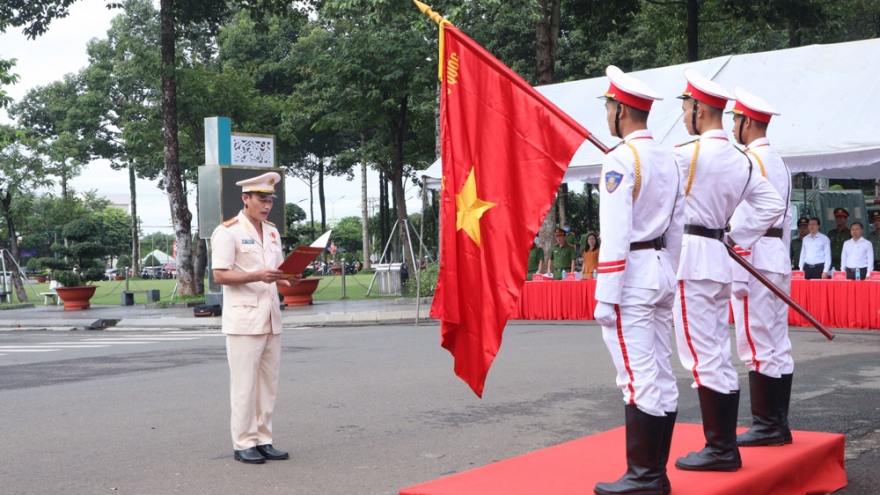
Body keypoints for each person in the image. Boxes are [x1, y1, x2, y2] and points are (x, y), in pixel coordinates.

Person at [670, 69, 785, 473]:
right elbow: (773, 208)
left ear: (700, 110)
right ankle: (723, 446)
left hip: (693, 257)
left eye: (686, 108)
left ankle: (719, 449)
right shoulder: (742, 160)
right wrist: (735, 235)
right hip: (719, 255)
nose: (685, 116)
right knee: (717, 350)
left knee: (701, 354)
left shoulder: (686, 155)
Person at [591, 66, 685, 495]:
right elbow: (678, 226)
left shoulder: (618, 160)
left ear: (622, 112)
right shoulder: (669, 158)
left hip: (631, 275)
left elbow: (615, 234)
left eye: (610, 106)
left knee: (636, 376)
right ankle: (655, 473)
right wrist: (673, 270)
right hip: (662, 268)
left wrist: (605, 296)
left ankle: (644, 476)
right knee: (660, 374)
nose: (607, 113)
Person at [211, 171, 301, 465]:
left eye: (270, 200)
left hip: (271, 317)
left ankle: (264, 439)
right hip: (244, 320)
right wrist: (257, 275)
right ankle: (244, 442)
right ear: (245, 198)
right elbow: (220, 275)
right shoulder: (228, 231)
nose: (267, 205)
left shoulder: (272, 231)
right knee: (244, 385)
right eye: (261, 199)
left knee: (267, 384)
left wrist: (290, 280)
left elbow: (277, 273)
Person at [726, 88, 794, 448]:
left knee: (755, 341)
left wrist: (736, 257)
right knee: (777, 340)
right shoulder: (780, 161)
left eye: (736, 120)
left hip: (753, 257)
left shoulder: (749, 161)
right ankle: (779, 423)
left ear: (747, 122)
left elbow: (744, 216)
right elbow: (785, 220)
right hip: (776, 257)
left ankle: (767, 425)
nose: (734, 125)